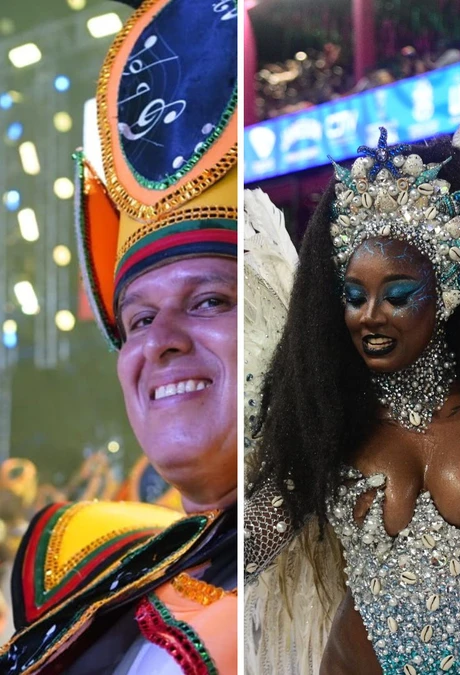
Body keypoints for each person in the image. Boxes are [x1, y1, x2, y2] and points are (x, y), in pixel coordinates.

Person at [0, 0, 239, 671]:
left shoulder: (356, 580)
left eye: (211, 299)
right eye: (137, 318)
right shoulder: (96, 570)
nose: (157, 341)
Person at [244, 119, 460, 675]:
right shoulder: (328, 425)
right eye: (354, 296)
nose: (370, 316)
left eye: (397, 295)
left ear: (446, 293)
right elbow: (244, 543)